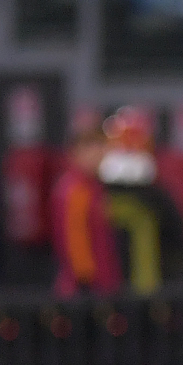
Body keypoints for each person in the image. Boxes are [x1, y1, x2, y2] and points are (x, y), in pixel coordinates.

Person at [51, 127, 124, 298]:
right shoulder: (74, 190)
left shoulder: (94, 187)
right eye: (91, 148)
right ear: (75, 152)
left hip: (104, 283)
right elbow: (74, 237)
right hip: (85, 290)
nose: (98, 154)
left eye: (101, 147)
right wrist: (85, 280)